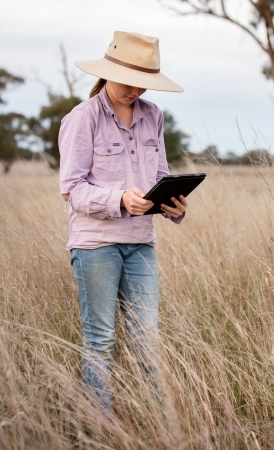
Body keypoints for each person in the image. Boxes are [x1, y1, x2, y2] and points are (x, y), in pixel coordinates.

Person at [58, 30, 187, 409]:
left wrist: (172, 206)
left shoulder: (154, 116)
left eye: (143, 85)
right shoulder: (82, 118)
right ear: (108, 72)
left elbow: (160, 176)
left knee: (147, 335)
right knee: (100, 339)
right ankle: (102, 426)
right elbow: (71, 189)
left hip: (141, 242)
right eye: (128, 83)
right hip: (95, 243)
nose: (135, 91)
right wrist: (118, 199)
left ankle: (155, 420)